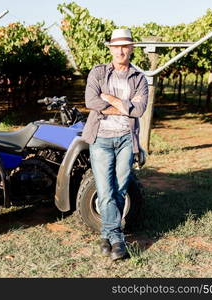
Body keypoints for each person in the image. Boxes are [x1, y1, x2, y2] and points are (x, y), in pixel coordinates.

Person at [82, 28, 148, 261]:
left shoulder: (139, 78)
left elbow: (139, 110)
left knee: (119, 189)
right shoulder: (99, 73)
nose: (121, 50)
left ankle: (107, 235)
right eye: (116, 46)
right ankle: (117, 238)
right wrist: (124, 106)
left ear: (131, 49)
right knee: (105, 190)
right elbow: (91, 101)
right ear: (110, 48)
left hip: (126, 140)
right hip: (101, 138)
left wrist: (108, 98)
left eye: (125, 46)